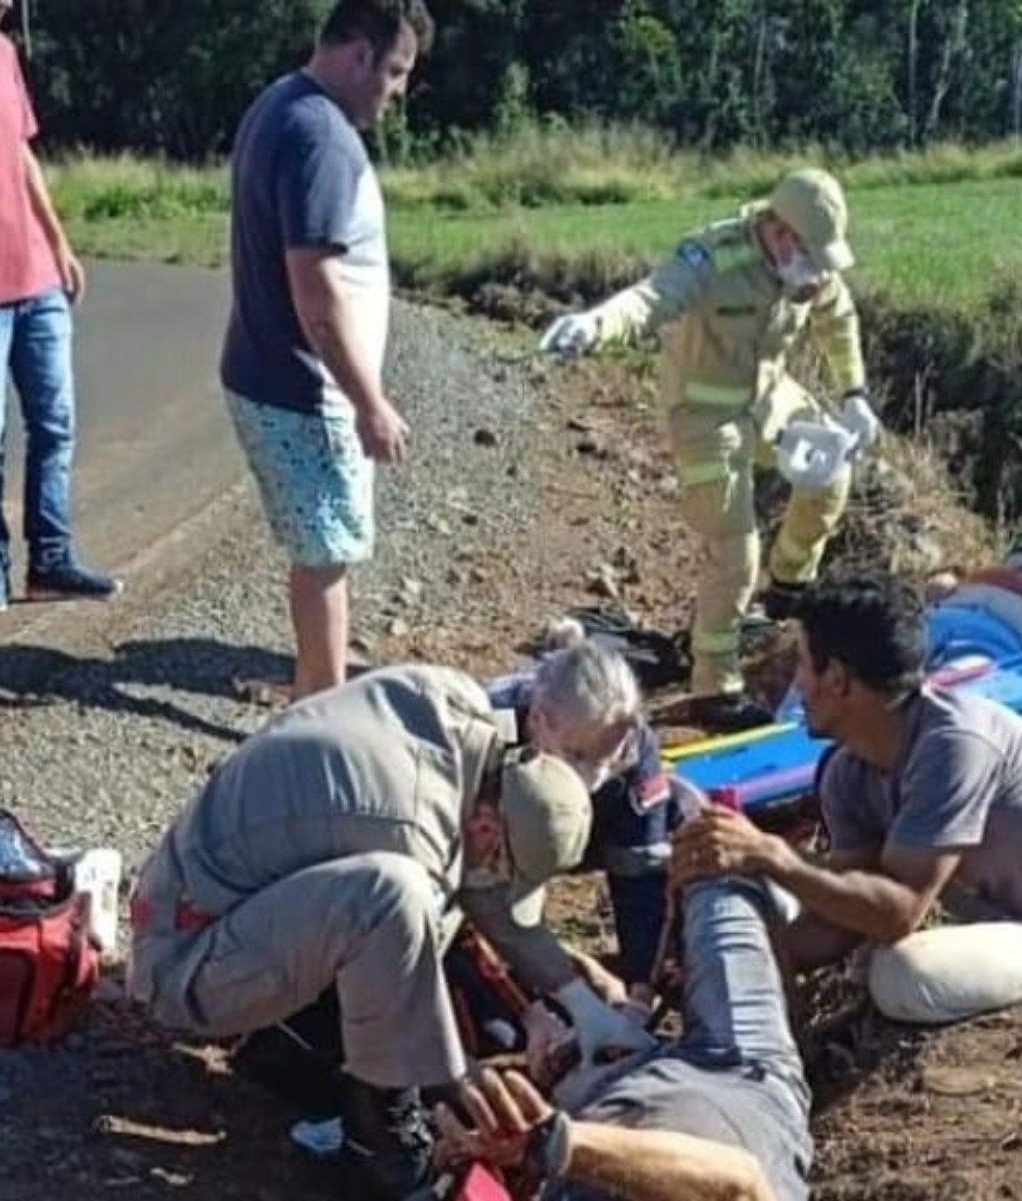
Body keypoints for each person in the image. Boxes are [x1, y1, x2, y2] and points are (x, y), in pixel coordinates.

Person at [128, 664, 653, 1197]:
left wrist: (583, 1009)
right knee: (397, 905)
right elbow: (420, 964)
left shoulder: (467, 724)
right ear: (489, 827)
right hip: (182, 957)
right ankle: (380, 1143)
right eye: (501, 863)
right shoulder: (408, 836)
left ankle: (295, 1040)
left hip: (230, 895)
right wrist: (462, 1082)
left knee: (415, 916)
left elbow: (483, 885)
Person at [539, 169, 877, 732]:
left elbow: (838, 321)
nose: (817, 273)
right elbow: (649, 301)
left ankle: (789, 586)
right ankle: (714, 688)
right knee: (733, 550)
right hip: (703, 415)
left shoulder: (810, 269)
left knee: (831, 475)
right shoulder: (710, 258)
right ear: (778, 231)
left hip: (769, 399)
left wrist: (855, 394)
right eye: (810, 255)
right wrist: (593, 326)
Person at [673, 570, 1022, 1025]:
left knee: (901, 973)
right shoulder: (847, 773)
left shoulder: (955, 743)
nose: (797, 684)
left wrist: (773, 855)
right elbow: (841, 917)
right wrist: (711, 966)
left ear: (836, 678)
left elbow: (897, 912)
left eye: (801, 663)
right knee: (792, 909)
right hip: (999, 922)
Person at [220, 0, 431, 700]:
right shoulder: (321, 138)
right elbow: (314, 286)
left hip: (273, 374)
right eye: (395, 71)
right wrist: (369, 402)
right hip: (305, 389)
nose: (397, 91)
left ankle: (317, 677)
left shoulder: (280, 101)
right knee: (326, 553)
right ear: (359, 54)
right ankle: (320, 709)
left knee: (320, 546)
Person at [434, 873, 811, 1201]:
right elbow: (738, 1182)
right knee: (717, 875)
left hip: (586, 1103)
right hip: (738, 1073)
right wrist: (557, 1143)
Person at [0, 0, 120, 615]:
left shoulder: (2, 52)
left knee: (54, 425)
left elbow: (20, 154)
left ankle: (51, 560)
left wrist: (59, 241)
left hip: (36, 279)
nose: (5, 3)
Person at [489, 635, 693, 1009]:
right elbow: (478, 892)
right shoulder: (490, 732)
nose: (593, 776)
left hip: (591, 836)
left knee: (680, 810)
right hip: (506, 848)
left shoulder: (633, 748)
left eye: (605, 760)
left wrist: (640, 988)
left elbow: (640, 873)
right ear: (538, 720)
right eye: (577, 755)